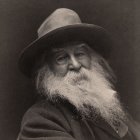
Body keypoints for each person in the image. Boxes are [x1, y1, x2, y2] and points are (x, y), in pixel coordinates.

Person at [17, 8, 140, 140]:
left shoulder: (110, 111)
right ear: (47, 69)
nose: (75, 65)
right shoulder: (40, 119)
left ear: (92, 58)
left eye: (80, 54)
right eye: (61, 58)